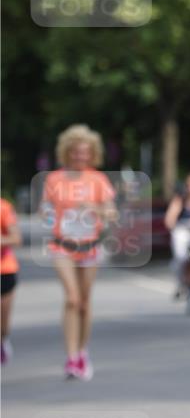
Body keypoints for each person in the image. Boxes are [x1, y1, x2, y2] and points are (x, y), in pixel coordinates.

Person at [41, 125, 117, 380]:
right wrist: (47, 214)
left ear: (92, 154)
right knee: (72, 299)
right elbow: (45, 208)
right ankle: (71, 357)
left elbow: (111, 213)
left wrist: (94, 208)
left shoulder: (98, 180)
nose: (80, 157)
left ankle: (83, 352)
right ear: (67, 152)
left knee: (84, 302)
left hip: (89, 245)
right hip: (61, 245)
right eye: (75, 152)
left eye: (85, 153)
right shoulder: (54, 179)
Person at [1, 196, 21, 365]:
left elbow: (16, 238)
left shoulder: (4, 207)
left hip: (4, 270)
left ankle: (3, 340)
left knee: (3, 323)